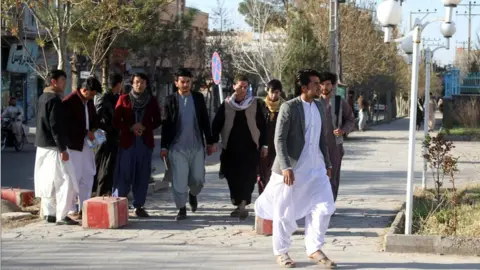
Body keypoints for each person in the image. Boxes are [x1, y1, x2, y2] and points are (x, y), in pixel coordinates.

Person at [254, 69, 335, 268]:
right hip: (291, 169)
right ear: (305, 87)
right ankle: (282, 252)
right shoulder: (289, 107)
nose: (320, 87)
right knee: (283, 211)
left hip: (315, 169)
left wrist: (328, 163)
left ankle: (314, 248)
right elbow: (279, 139)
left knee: (325, 207)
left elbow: (322, 139)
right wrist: (286, 167)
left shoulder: (319, 106)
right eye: (316, 84)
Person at [161, 68, 216, 220]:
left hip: (196, 146)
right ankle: (181, 208)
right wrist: (164, 147)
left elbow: (205, 121)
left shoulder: (198, 98)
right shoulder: (170, 100)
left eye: (188, 82)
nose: (185, 84)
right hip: (177, 148)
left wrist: (210, 142)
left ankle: (193, 194)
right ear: (176, 83)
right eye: (182, 82)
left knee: (198, 179)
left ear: (191, 83)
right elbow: (165, 125)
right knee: (179, 179)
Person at [212, 74, 267, 220]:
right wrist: (212, 141)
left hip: (250, 148)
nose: (242, 89)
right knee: (232, 177)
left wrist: (264, 145)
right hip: (230, 149)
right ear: (234, 86)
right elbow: (216, 124)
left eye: (245, 87)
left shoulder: (255, 104)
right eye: (240, 86)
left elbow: (263, 126)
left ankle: (243, 203)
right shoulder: (227, 104)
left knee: (248, 177)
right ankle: (237, 202)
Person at [113, 73, 161, 217]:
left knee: (142, 174)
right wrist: (130, 127)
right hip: (127, 142)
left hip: (144, 142)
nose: (139, 85)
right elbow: (116, 121)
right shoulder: (123, 99)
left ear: (146, 84)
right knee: (124, 173)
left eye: (142, 82)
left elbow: (158, 120)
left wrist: (144, 127)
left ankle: (139, 205)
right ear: (132, 84)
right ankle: (120, 204)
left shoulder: (151, 101)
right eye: (136, 82)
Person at [34, 70, 79, 225]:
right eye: (62, 80)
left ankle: (49, 213)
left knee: (47, 181)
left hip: (42, 146)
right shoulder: (54, 100)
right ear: (53, 82)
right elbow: (55, 126)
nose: (64, 83)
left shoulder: (42, 97)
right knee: (66, 181)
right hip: (54, 147)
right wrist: (62, 149)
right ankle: (62, 214)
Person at [63, 76, 101, 219]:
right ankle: (71, 208)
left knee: (88, 175)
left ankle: (84, 205)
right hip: (73, 146)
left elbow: (93, 119)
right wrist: (86, 132)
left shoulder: (89, 102)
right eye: (91, 94)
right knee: (74, 177)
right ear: (84, 90)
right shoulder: (69, 102)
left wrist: (95, 130)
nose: (92, 97)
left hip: (87, 145)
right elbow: (68, 125)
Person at [317, 72, 355, 202]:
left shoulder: (339, 101)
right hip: (316, 146)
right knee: (316, 176)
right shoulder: (314, 102)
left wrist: (343, 130)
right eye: (322, 84)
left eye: (327, 84)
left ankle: (330, 204)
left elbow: (351, 120)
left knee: (332, 176)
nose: (324, 87)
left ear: (332, 85)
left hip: (335, 146)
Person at [93, 74, 123, 196]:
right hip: (105, 138)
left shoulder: (117, 97)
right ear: (118, 84)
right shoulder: (104, 98)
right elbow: (97, 119)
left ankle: (108, 192)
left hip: (114, 137)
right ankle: (100, 193)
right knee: (104, 167)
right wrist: (109, 129)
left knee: (111, 168)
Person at [258, 79, 284, 194]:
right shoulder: (261, 106)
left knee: (277, 175)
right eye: (272, 92)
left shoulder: (285, 107)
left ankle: (274, 200)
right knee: (263, 174)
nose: (274, 95)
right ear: (267, 91)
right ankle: (263, 199)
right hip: (264, 145)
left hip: (279, 146)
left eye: (277, 92)